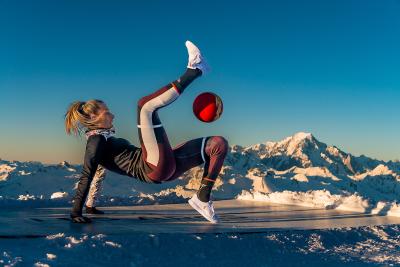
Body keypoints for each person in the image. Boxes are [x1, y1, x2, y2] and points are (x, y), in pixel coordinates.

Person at [64, 41, 228, 224]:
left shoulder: (104, 139)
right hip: (152, 167)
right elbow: (88, 173)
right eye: (106, 111)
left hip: (166, 167)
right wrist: (76, 212)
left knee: (218, 144)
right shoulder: (96, 141)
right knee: (145, 107)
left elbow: (98, 174)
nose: (112, 114)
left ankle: (203, 198)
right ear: (94, 118)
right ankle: (195, 70)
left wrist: (90, 205)